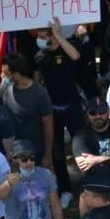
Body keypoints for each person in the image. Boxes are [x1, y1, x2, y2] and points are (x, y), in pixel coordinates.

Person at [33, 18, 82, 207]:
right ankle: (66, 189)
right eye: (39, 36)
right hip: (52, 111)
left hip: (73, 107)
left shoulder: (68, 48)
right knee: (57, 154)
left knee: (81, 148)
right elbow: (38, 83)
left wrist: (59, 35)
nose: (41, 39)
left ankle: (87, 187)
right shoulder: (39, 56)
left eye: (45, 36)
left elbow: (76, 56)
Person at [0, 54, 53, 168]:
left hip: (34, 150)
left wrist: (48, 155)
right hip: (13, 148)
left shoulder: (39, 94)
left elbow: (48, 125)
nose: (2, 76)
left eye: (6, 74)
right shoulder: (4, 88)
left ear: (17, 74)